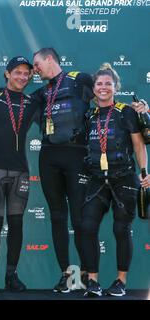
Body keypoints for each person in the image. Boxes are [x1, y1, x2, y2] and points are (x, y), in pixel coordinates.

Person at [82, 63, 150, 297]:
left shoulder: (126, 111)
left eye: (107, 84)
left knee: (121, 229)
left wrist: (144, 172)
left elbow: (139, 144)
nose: (103, 88)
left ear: (115, 87)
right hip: (96, 180)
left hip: (124, 179)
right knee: (87, 227)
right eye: (99, 84)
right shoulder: (88, 114)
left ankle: (120, 282)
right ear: (93, 88)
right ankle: (92, 282)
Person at [32, 48, 94, 292]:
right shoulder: (39, 94)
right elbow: (3, 97)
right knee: (58, 217)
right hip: (48, 157)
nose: (35, 69)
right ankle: (67, 275)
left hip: (76, 155)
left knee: (79, 218)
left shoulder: (80, 80)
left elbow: (105, 96)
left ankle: (88, 274)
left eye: (37, 64)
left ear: (49, 59)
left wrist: (139, 109)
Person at [0, 56, 40, 292]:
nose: (22, 77)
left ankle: (12, 275)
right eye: (18, 72)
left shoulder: (33, 102)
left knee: (16, 223)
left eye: (27, 74)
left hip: (20, 172)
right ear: (7, 73)